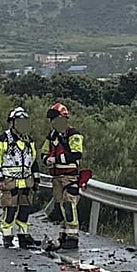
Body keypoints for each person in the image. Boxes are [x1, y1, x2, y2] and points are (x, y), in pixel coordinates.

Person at [0, 107, 39, 248]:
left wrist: (36, 180)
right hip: (9, 181)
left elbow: (34, 161)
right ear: (12, 123)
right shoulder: (2, 139)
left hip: (26, 181)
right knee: (10, 210)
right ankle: (7, 236)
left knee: (25, 210)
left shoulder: (29, 140)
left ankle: (23, 236)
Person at [41, 102, 85, 250]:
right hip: (56, 177)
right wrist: (46, 159)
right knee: (60, 206)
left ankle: (73, 238)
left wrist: (57, 160)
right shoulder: (52, 135)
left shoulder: (73, 134)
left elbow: (76, 154)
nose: (53, 122)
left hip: (70, 177)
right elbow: (44, 151)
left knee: (69, 206)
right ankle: (64, 235)